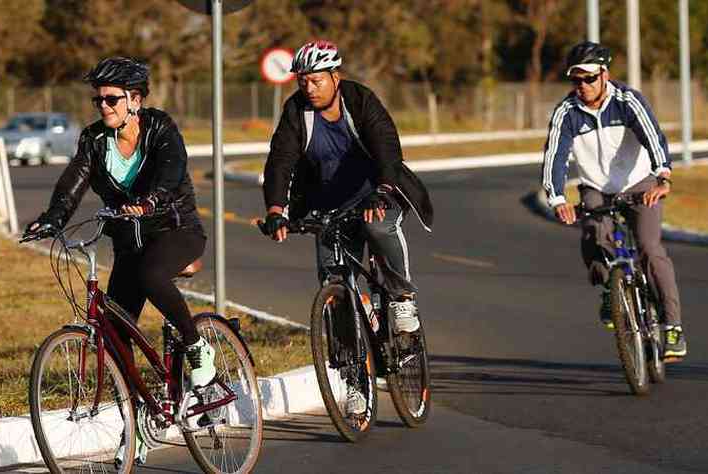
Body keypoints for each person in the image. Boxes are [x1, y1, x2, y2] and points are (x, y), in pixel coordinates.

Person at [23, 58, 215, 460]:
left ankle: (197, 346)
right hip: (129, 243)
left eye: (111, 99)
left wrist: (152, 201)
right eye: (98, 100)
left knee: (151, 275)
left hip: (175, 231)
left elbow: (171, 169)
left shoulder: (160, 127)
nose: (104, 106)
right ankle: (138, 420)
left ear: (135, 99)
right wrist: (51, 219)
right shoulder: (94, 140)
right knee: (113, 333)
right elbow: (73, 182)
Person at [261, 39, 433, 364]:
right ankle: (351, 376)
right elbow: (280, 161)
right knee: (333, 285)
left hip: (378, 190)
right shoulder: (296, 112)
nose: (309, 88)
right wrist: (275, 210)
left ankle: (401, 298)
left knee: (378, 226)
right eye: (303, 81)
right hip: (328, 205)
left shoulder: (360, 99)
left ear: (334, 77)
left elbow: (387, 146)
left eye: (316, 79)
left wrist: (382, 189)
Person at [542, 41, 686, 359]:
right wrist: (556, 199)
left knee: (650, 248)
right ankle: (610, 289)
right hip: (596, 188)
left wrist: (663, 177)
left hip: (640, 183)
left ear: (604, 75)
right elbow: (555, 157)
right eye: (576, 80)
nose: (583, 86)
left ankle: (672, 326)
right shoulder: (566, 113)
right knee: (594, 234)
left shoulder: (627, 101)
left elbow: (653, 138)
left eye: (589, 79)